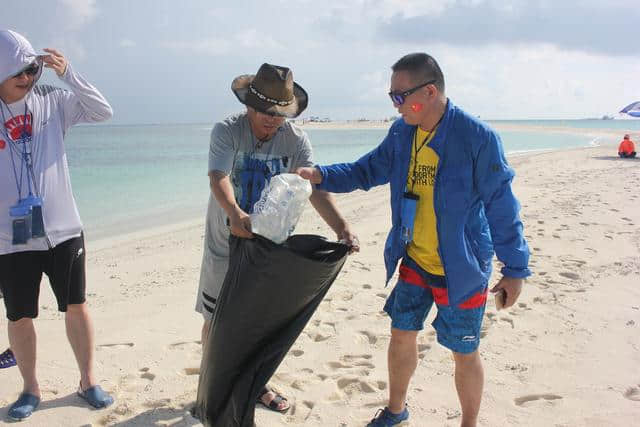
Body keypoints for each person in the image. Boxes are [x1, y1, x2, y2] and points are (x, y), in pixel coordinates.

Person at [297, 53, 531, 427]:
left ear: (430, 90)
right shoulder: (402, 132)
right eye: (392, 97)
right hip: (414, 258)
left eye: (399, 97)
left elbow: (502, 206)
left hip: (462, 266)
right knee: (401, 332)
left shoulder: (478, 138)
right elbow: (368, 169)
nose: (395, 105)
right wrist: (320, 175)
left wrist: (516, 268)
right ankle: (395, 410)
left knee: (463, 351)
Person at [196, 63, 358, 413]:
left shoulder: (295, 140)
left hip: (270, 251)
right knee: (217, 320)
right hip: (225, 243)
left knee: (258, 322)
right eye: (265, 112)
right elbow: (218, 177)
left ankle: (257, 384)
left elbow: (312, 188)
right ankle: (210, 390)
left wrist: (342, 228)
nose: (272, 120)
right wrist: (236, 214)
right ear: (249, 106)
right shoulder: (227, 131)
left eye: (279, 113)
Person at [0, 29, 114, 420]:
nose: (29, 77)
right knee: (19, 315)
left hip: (63, 229)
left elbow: (102, 111)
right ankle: (30, 388)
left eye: (33, 69)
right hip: (11, 239)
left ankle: (87, 380)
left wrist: (69, 75)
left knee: (76, 305)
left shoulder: (53, 102)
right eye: (18, 71)